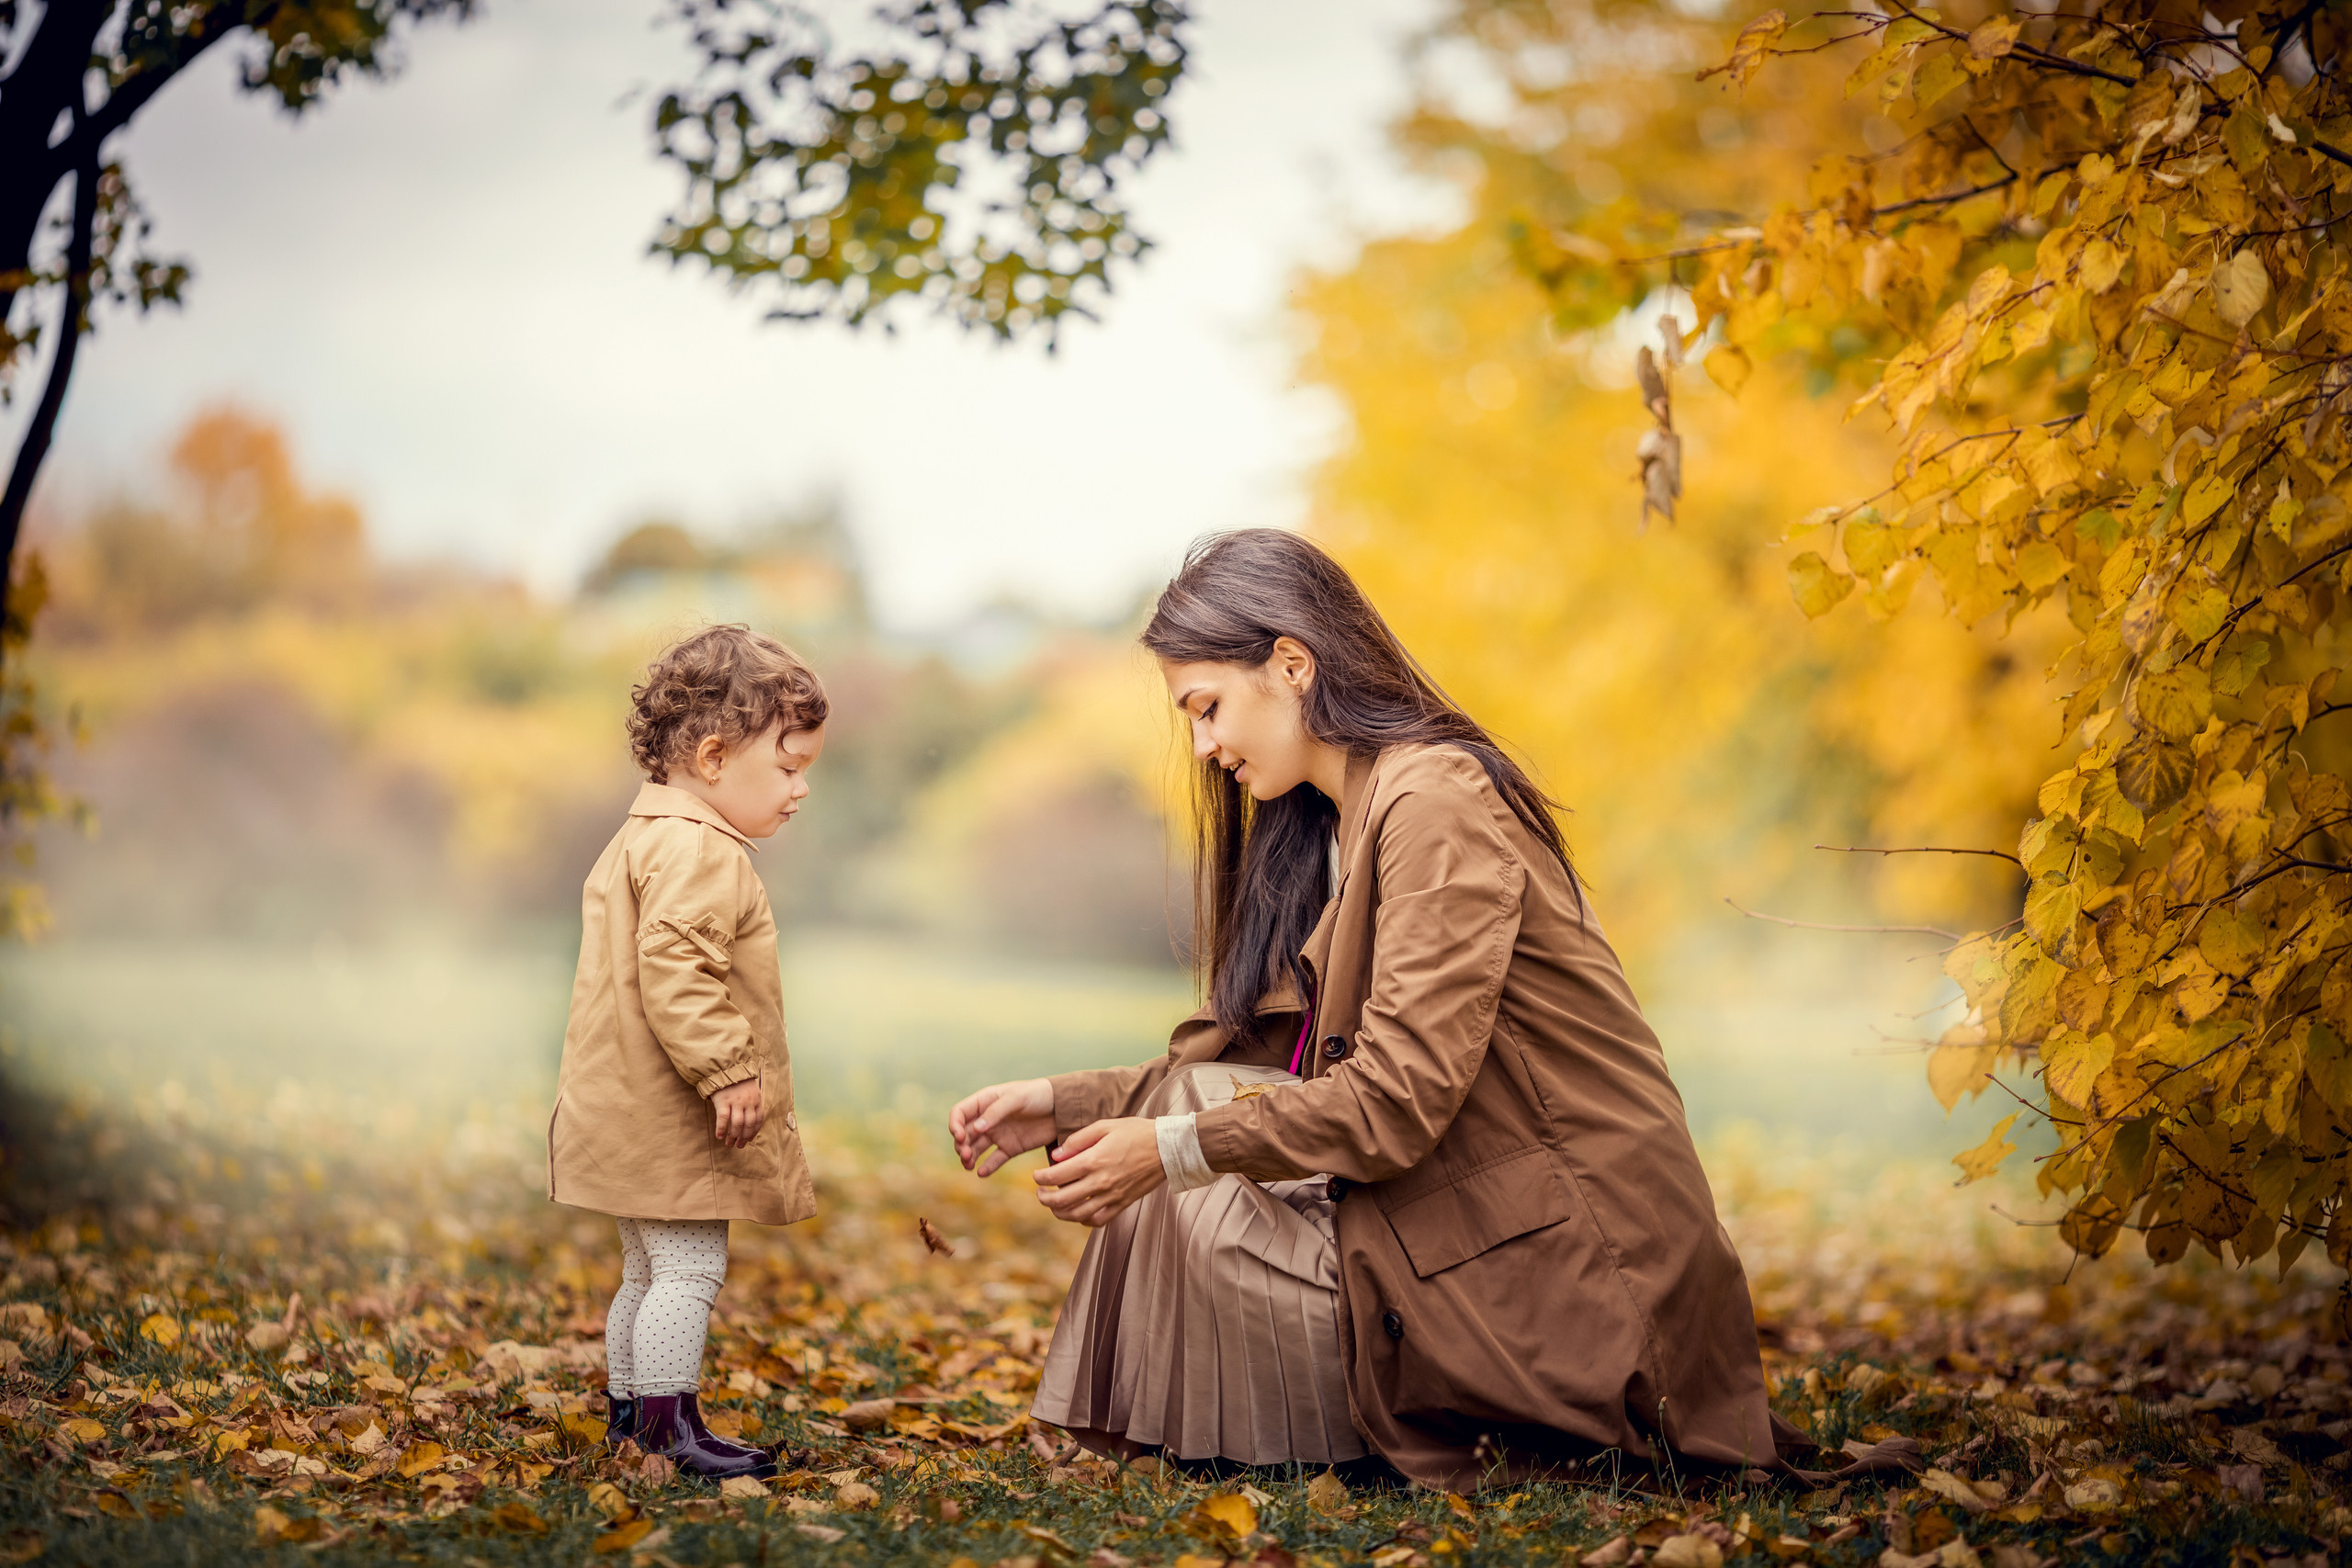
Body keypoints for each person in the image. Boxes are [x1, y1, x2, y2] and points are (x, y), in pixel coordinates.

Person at [949, 530, 1806, 1491]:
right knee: (1185, 1110)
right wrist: (1061, 1106)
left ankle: (1394, 1433)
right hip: (1482, 1222)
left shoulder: (1434, 801)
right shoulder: (1341, 816)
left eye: (1208, 708)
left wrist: (1169, 1147)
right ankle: (1268, 1434)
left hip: (1577, 1284)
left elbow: (1395, 1099)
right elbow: (1275, 1062)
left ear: (1291, 663)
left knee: (1188, 1185)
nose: (1203, 746)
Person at [547, 624, 828, 1482]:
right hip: (673, 1110)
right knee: (690, 1266)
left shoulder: (643, 835)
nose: (800, 788)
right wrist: (728, 1069)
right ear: (712, 756)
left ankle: (636, 1420)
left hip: (622, 1105)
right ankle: (667, 1428)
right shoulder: (701, 848)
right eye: (787, 766)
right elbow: (677, 965)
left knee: (646, 1266)